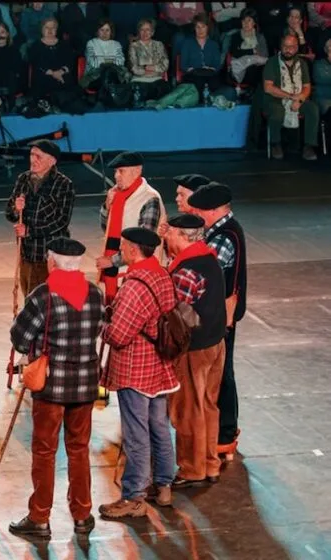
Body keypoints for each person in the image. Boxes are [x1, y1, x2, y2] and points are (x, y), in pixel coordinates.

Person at [7, 238, 104, 540]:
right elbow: (99, 329)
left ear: (52, 262)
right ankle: (82, 514)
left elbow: (20, 339)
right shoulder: (95, 294)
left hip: (51, 386)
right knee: (79, 449)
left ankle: (39, 517)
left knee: (45, 452)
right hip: (85, 384)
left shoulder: (42, 296)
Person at [99, 227, 178, 519]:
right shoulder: (162, 275)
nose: (120, 251)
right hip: (160, 366)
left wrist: (102, 326)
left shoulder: (135, 286)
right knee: (159, 427)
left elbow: (119, 335)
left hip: (137, 369)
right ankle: (164, 485)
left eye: (123, 246)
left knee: (136, 434)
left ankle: (134, 497)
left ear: (133, 250)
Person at [162, 213, 227, 488]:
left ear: (181, 235)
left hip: (194, 350)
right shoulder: (209, 259)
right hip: (216, 343)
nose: (165, 236)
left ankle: (191, 468)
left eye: (169, 232)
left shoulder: (186, 271)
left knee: (188, 409)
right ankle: (210, 463)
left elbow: (176, 314)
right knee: (208, 405)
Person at [187, 182, 247, 463]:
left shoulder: (224, 237)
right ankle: (223, 432)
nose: (197, 215)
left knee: (221, 375)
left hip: (221, 318)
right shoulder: (225, 230)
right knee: (222, 373)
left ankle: (224, 433)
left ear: (212, 211)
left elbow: (207, 273)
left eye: (199, 211)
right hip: (223, 315)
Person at [5, 139, 75, 298]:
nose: (33, 160)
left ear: (52, 161)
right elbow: (9, 214)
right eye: (32, 155)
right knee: (30, 300)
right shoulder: (23, 179)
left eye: (39, 156)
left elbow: (61, 221)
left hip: (50, 258)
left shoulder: (63, 184)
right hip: (26, 255)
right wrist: (16, 208)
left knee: (50, 301)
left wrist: (29, 231)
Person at [95, 151, 166, 304]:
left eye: (121, 171)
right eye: (115, 171)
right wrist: (107, 206)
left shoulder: (149, 198)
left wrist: (112, 261)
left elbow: (144, 243)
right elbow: (106, 229)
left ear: (137, 171)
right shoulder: (117, 194)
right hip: (115, 265)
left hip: (137, 272)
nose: (116, 176)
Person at [263, 33, 320, 161]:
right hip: (276, 98)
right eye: (285, 46)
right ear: (281, 47)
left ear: (297, 48)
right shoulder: (272, 62)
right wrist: (291, 97)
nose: (288, 50)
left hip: (297, 97)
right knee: (277, 111)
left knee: (312, 109)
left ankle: (308, 146)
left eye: (292, 47)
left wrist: (300, 99)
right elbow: (268, 87)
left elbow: (307, 86)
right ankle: (275, 143)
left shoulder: (302, 63)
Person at [179, 13, 223, 99]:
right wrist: (194, 70)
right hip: (193, 75)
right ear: (194, 29)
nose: (200, 30)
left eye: (203, 27)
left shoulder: (214, 44)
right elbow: (183, 65)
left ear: (208, 28)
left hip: (209, 74)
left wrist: (210, 69)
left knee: (216, 83)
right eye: (197, 27)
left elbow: (217, 65)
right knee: (198, 82)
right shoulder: (187, 43)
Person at [128, 18, 170, 101]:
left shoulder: (159, 45)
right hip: (140, 80)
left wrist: (151, 68)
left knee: (164, 92)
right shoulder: (133, 46)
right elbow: (133, 68)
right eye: (142, 30)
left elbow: (165, 65)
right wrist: (146, 70)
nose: (145, 32)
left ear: (152, 32)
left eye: (148, 30)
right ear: (139, 32)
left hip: (157, 79)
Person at [228, 8, 268, 89]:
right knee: (240, 64)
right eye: (244, 20)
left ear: (254, 22)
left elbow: (264, 55)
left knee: (254, 65)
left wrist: (246, 54)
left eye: (249, 20)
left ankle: (249, 89)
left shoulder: (259, 37)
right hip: (239, 65)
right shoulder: (235, 36)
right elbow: (235, 53)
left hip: (255, 68)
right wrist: (252, 51)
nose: (246, 23)